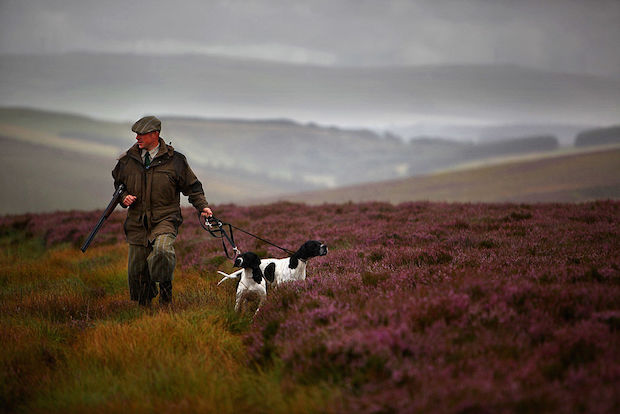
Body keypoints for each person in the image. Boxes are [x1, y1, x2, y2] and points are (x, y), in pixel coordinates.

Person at [112, 115, 212, 306]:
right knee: (137, 270)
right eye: (136, 134)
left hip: (165, 219)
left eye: (141, 134)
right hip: (137, 222)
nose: (137, 138)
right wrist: (123, 197)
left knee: (162, 250)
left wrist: (203, 207)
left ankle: (165, 294)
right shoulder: (127, 161)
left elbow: (193, 188)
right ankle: (144, 310)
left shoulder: (176, 161)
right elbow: (118, 184)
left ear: (155, 134)